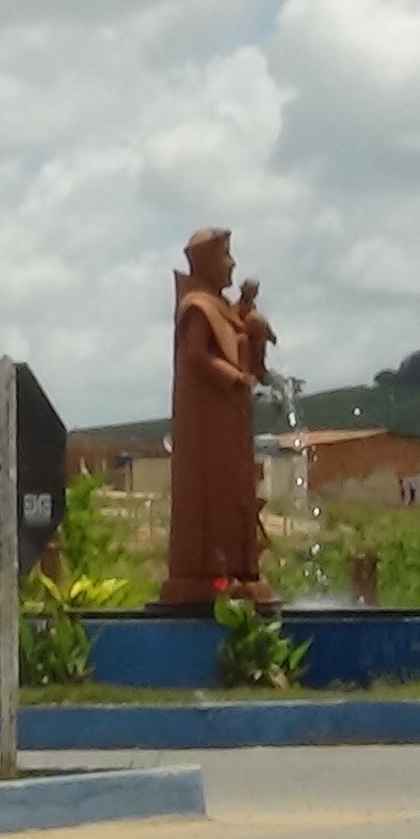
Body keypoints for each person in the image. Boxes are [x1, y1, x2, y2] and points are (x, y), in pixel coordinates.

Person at [161, 229, 273, 606]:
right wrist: (232, 377)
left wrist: (247, 309)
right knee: (214, 490)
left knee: (236, 487)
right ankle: (211, 569)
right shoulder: (197, 306)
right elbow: (196, 353)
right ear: (207, 262)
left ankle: (240, 565)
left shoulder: (219, 305)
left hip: (231, 417)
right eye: (225, 257)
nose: (232, 264)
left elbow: (234, 333)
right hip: (208, 425)